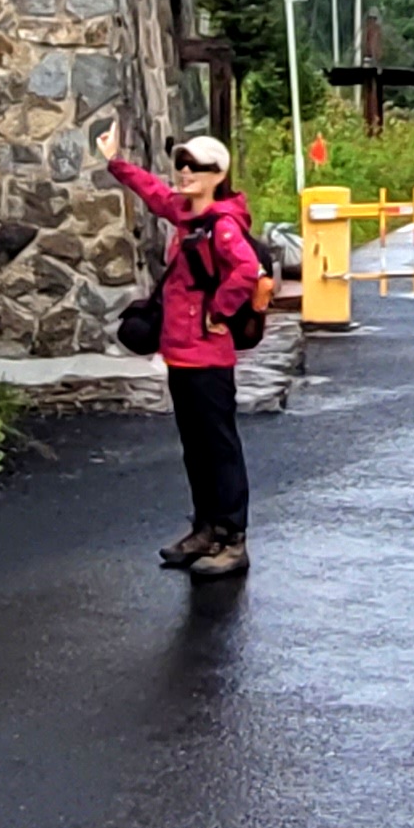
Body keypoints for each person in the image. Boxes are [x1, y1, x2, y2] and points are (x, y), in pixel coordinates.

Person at [94, 112, 264, 581]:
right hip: (182, 354)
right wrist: (116, 162)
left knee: (219, 448)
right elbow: (154, 193)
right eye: (182, 163)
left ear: (218, 175)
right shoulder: (189, 216)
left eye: (196, 166)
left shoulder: (222, 225)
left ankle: (232, 538)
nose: (185, 172)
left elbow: (247, 271)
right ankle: (205, 529)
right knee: (195, 448)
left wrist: (218, 312)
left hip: (208, 357)